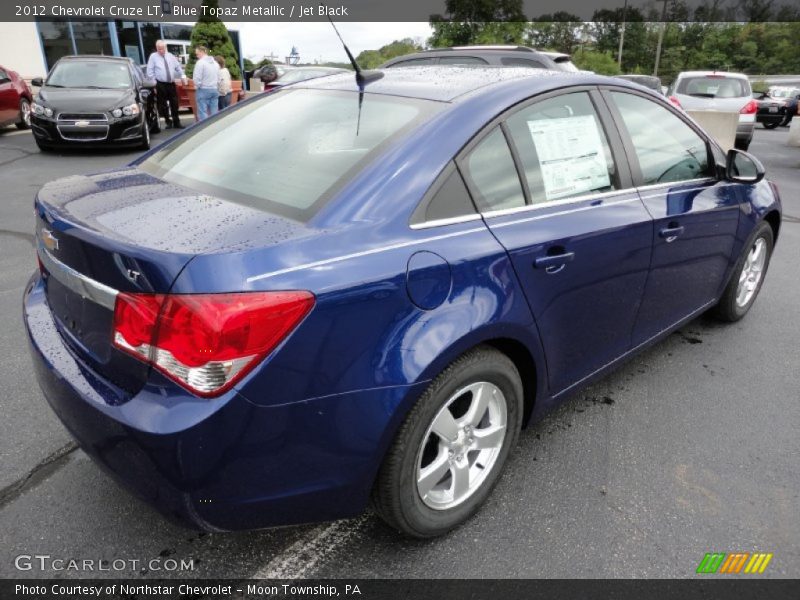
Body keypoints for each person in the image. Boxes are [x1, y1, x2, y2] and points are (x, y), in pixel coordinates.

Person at [145, 40, 186, 129]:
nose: (161, 51)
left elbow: (178, 67)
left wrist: (183, 76)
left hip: (171, 83)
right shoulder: (153, 57)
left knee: (174, 103)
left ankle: (176, 121)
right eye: (159, 49)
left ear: (165, 47)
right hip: (160, 83)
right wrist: (154, 84)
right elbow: (150, 72)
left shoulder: (170, 56)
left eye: (162, 49)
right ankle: (168, 121)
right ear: (156, 48)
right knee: (163, 104)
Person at [193, 45, 220, 121]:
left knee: (202, 113)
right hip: (214, 89)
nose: (197, 56)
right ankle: (215, 128)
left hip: (203, 89)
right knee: (214, 112)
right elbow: (219, 78)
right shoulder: (215, 63)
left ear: (202, 52)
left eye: (197, 54)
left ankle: (204, 130)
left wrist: (197, 86)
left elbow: (197, 78)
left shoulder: (200, 63)